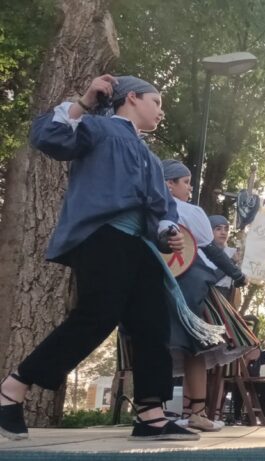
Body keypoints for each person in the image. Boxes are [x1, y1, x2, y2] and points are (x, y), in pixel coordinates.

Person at [0, 75, 199, 441]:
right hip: (102, 236)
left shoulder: (152, 159)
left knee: (152, 323)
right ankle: (12, 389)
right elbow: (48, 137)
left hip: (139, 245)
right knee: (97, 315)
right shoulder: (98, 128)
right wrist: (86, 100)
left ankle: (151, 413)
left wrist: (166, 231)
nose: (161, 111)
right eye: (156, 102)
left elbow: (163, 207)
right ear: (133, 98)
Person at [162, 159, 258, 432]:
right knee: (196, 348)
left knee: (164, 345)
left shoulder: (149, 207)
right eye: (186, 182)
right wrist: (237, 275)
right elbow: (211, 251)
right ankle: (197, 412)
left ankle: (153, 411)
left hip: (159, 285)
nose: (190, 188)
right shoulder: (190, 212)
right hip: (191, 284)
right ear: (170, 184)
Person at [208, 215, 240, 299]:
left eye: (226, 229)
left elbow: (237, 282)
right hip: (208, 296)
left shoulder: (233, 252)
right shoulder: (203, 252)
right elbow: (210, 278)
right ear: (209, 231)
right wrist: (232, 262)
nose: (223, 232)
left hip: (226, 296)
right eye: (218, 229)